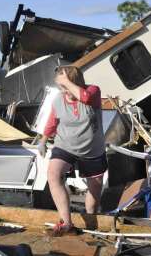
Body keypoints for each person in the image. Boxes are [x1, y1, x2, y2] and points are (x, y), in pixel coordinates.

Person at [38, 65, 107, 236]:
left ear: (74, 82)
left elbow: (84, 97)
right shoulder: (58, 100)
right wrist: (43, 141)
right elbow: (52, 122)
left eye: (65, 85)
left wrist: (67, 82)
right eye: (60, 86)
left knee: (94, 191)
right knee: (53, 174)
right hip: (65, 145)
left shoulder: (93, 91)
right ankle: (66, 222)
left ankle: (91, 221)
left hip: (92, 149)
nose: (63, 90)